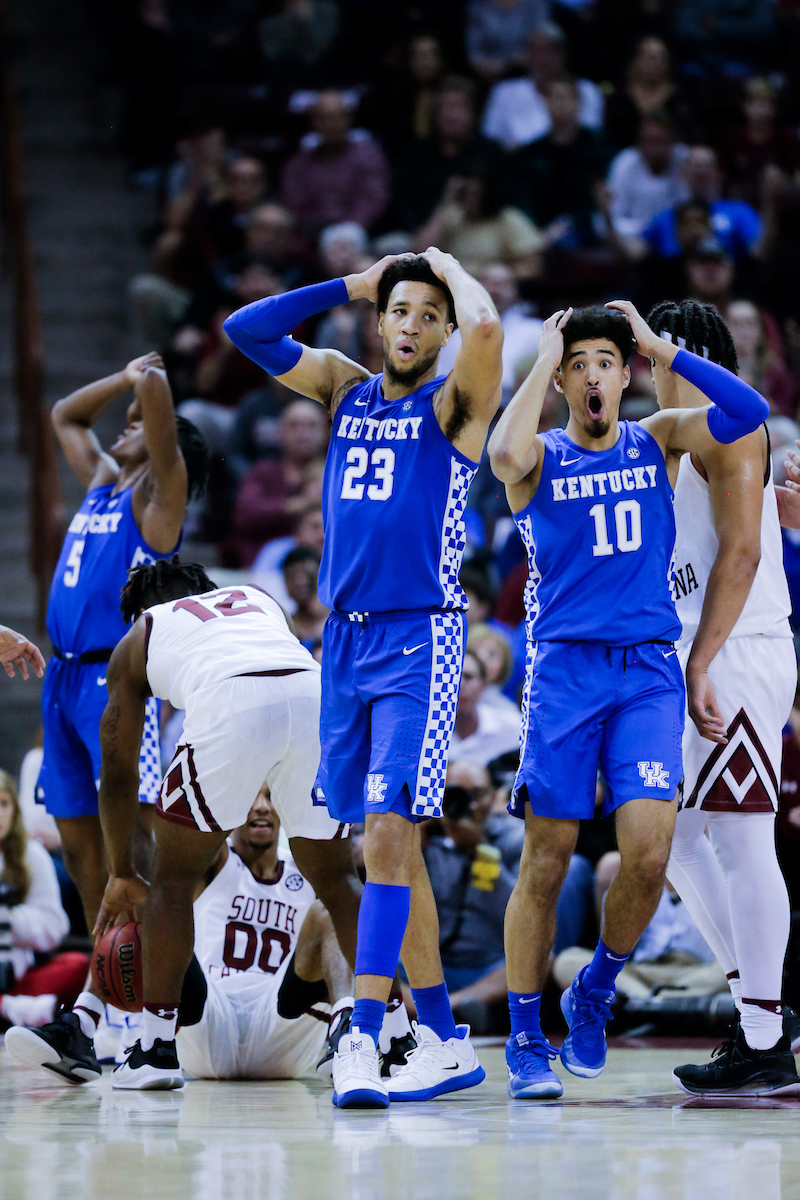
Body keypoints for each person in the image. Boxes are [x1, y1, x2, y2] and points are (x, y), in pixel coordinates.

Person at [222, 249, 503, 1107]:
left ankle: (367, 1033)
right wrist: (351, 284)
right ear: (379, 321)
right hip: (339, 645)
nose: (411, 326)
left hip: (420, 636)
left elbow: (490, 327)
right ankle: (447, 1040)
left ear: (445, 328)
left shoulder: (455, 407)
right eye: (400, 311)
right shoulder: (344, 387)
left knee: (386, 836)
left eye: (428, 314)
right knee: (385, 851)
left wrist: (450, 269)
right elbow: (246, 329)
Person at [488, 299, 770, 1099]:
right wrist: (542, 357)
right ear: (565, 379)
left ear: (625, 373)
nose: (592, 377)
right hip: (564, 674)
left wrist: (657, 347)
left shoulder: (658, 440)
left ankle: (595, 989)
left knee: (649, 857)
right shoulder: (537, 454)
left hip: (647, 670)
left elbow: (748, 412)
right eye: (579, 366)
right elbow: (501, 450)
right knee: (544, 862)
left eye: (605, 363)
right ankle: (521, 1035)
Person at [35, 559, 366, 1091]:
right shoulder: (258, 600)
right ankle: (387, 1030)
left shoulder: (142, 635)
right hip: (312, 697)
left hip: (229, 700)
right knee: (339, 881)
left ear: (144, 611)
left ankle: (155, 1047)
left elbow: (118, 774)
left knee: (167, 881)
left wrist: (122, 870)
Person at [6, 355, 208, 1081]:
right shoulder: (100, 485)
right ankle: (107, 1009)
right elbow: (63, 414)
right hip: (59, 676)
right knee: (85, 857)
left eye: (135, 429)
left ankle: (152, 1008)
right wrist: (125, 381)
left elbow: (156, 410)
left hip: (113, 679)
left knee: (135, 849)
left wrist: (147, 381)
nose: (122, 430)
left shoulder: (159, 502)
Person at [646, 299, 799, 1097]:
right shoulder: (683, 440)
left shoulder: (727, 421)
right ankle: (758, 1011)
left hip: (733, 652)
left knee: (742, 839)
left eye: (652, 353)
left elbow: (739, 559)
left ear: (690, 353)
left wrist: (701, 662)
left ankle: (766, 1036)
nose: (643, 370)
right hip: (696, 651)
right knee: (670, 840)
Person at [169, 785, 353, 1085]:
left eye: (270, 796)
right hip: (208, 1016)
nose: (261, 806)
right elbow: (197, 829)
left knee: (333, 909)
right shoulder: (215, 861)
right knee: (149, 909)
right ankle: (96, 1019)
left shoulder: (304, 870)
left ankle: (347, 1036)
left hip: (281, 1024)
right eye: (250, 794)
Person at [0, 771, 89, 1030]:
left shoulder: (32, 855)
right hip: (19, 995)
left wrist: (8, 920)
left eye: (4, 804)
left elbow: (56, 926)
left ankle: (7, 1006)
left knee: (78, 965)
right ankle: (10, 1009)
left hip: (18, 974)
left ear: (15, 808)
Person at [481, 23, 604, 152]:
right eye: (534, 52)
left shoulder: (587, 91)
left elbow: (593, 138)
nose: (541, 60)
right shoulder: (504, 92)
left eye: (548, 52)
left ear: (562, 55)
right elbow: (490, 140)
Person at [449, 651, 520, 767]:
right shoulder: (425, 730)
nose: (460, 685)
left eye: (468, 677)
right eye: (452, 677)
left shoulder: (513, 726)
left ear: (483, 686)